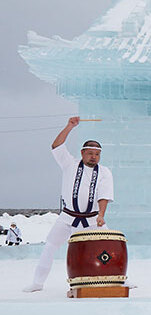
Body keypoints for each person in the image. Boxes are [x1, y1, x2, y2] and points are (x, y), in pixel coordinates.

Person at [24, 117, 114, 292]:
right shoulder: (69, 164)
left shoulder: (104, 172)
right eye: (90, 153)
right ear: (82, 153)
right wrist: (69, 126)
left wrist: (101, 215)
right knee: (50, 246)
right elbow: (56, 146)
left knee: (108, 247)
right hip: (67, 217)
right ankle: (37, 283)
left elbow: (104, 196)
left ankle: (118, 280)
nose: (93, 157)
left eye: (97, 154)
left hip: (92, 219)